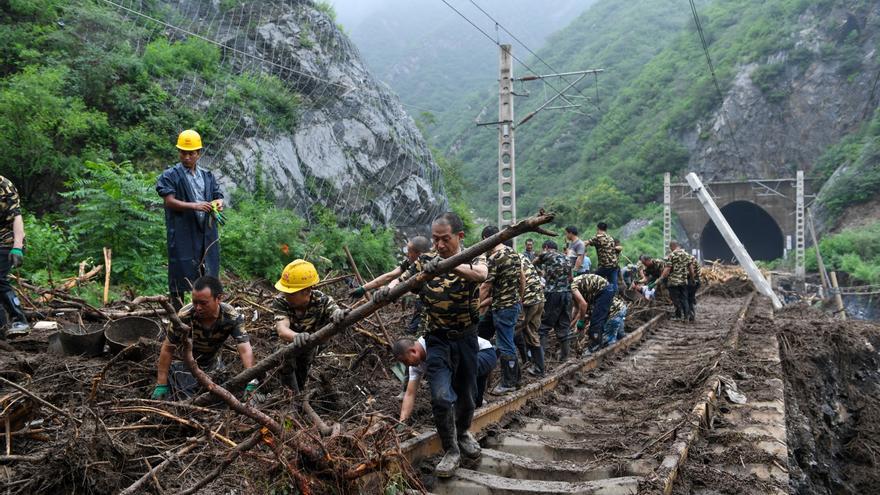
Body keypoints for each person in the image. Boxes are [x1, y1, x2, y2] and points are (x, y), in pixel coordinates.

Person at [384, 211, 487, 477]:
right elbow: (401, 278)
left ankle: (463, 433)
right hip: (437, 339)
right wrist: (390, 288)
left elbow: (480, 276)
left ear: (459, 236)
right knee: (441, 397)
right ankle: (451, 449)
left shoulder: (475, 254)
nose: (439, 245)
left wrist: (448, 264)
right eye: (435, 240)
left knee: (466, 395)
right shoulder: (426, 260)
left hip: (466, 338)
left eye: (445, 239)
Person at [152, 276, 255, 400]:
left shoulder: (231, 317)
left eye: (203, 303)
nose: (198, 307)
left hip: (213, 365)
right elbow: (168, 348)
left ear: (219, 298)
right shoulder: (185, 316)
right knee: (187, 399)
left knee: (222, 398)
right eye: (195, 302)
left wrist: (251, 380)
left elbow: (244, 349)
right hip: (184, 365)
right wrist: (161, 384)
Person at [156, 130, 224, 310]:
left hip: (206, 232)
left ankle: (208, 310)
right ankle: (178, 317)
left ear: (198, 153)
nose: (186, 157)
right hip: (183, 232)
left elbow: (218, 195)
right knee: (179, 273)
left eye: (191, 153)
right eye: (183, 153)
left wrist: (218, 202)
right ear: (178, 152)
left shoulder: (207, 176)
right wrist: (195, 206)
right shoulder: (170, 176)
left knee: (208, 270)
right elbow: (169, 201)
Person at [272, 259, 346, 392]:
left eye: (291, 293)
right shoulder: (281, 300)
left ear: (306, 291)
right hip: (288, 341)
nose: (287, 295)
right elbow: (282, 329)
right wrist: (297, 336)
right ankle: (288, 395)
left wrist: (338, 314)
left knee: (304, 366)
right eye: (286, 291)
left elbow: (336, 311)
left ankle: (298, 393)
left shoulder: (323, 301)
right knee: (284, 355)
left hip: (312, 345)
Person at [394, 335, 497, 424]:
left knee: (454, 372)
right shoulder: (415, 366)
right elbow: (410, 394)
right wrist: (402, 422)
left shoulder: (433, 342)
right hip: (466, 367)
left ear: (413, 351)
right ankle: (473, 401)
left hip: (483, 353)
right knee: (476, 403)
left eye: (406, 361)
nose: (406, 365)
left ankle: (455, 408)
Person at [348, 236, 432, 335]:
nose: (406, 254)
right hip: (422, 301)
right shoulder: (410, 262)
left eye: (409, 251)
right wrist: (363, 289)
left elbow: (399, 281)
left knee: (418, 332)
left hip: (433, 303)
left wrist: (389, 289)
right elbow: (390, 276)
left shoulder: (430, 262)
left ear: (419, 254)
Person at [479, 227, 524, 395]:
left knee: (505, 343)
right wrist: (520, 299)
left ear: (486, 239)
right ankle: (514, 379)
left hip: (503, 308)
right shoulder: (514, 254)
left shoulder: (494, 257)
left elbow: (485, 286)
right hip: (507, 305)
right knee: (480, 333)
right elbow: (522, 278)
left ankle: (509, 383)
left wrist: (473, 305)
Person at [533, 240, 572, 364]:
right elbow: (571, 278)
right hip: (567, 294)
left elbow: (532, 263)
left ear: (546, 247)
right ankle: (565, 358)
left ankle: (541, 361)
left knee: (543, 326)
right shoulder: (566, 258)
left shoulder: (547, 254)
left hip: (553, 293)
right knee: (563, 325)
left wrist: (540, 273)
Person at [0, 176, 29, 337]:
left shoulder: (4, 185)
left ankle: (19, 320)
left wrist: (17, 247)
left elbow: (16, 216)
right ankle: (2, 328)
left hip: (8, 239)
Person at [570, 273, 616, 355]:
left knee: (596, 321)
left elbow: (584, 305)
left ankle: (595, 348)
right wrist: (571, 324)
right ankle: (599, 342)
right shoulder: (571, 289)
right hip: (601, 291)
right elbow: (577, 308)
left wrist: (581, 321)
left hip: (604, 290)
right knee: (597, 319)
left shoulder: (570, 287)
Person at [518, 255, 545, 377]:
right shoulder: (522, 256)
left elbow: (522, 279)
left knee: (512, 331)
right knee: (531, 332)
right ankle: (537, 366)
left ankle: (513, 374)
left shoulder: (505, 258)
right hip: (539, 298)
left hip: (528, 300)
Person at [659, 241, 694, 322]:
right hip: (683, 281)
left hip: (673, 282)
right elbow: (691, 269)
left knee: (675, 299)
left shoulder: (672, 255)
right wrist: (692, 278)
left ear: (672, 247)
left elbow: (667, 269)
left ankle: (678, 316)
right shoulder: (686, 255)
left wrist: (661, 278)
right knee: (684, 298)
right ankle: (686, 316)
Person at [585, 222, 622, 293]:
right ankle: (615, 298)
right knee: (613, 283)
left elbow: (586, 243)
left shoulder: (598, 237)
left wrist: (575, 246)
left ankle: (595, 295)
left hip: (605, 265)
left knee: (594, 279)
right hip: (614, 264)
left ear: (598, 228)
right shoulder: (610, 237)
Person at [687, 252, 702, 319]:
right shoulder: (693, 259)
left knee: (687, 298)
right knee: (690, 297)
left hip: (691, 281)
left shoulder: (687, 259)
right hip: (697, 281)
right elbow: (698, 271)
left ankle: (690, 315)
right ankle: (691, 313)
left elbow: (691, 272)